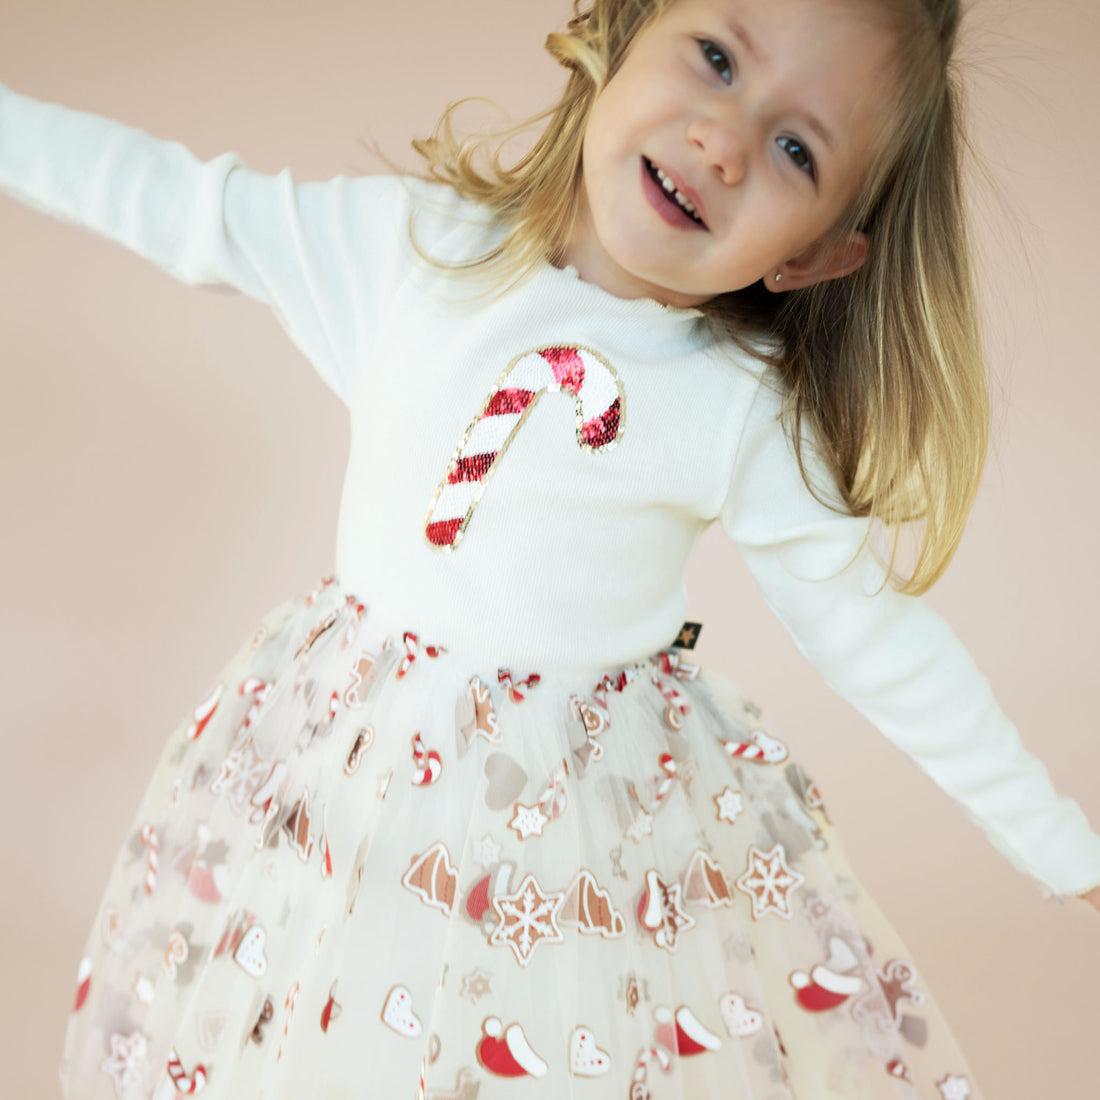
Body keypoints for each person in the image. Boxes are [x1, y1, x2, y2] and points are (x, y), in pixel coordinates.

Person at [2, 0, 1097, 1096]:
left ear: (815, 255)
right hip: (353, 773)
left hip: (576, 831)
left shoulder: (737, 413)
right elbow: (175, 201)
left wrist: (1064, 850)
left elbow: (881, 642)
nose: (722, 141)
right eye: (714, 59)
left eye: (793, 148)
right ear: (624, 36)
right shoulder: (407, 252)